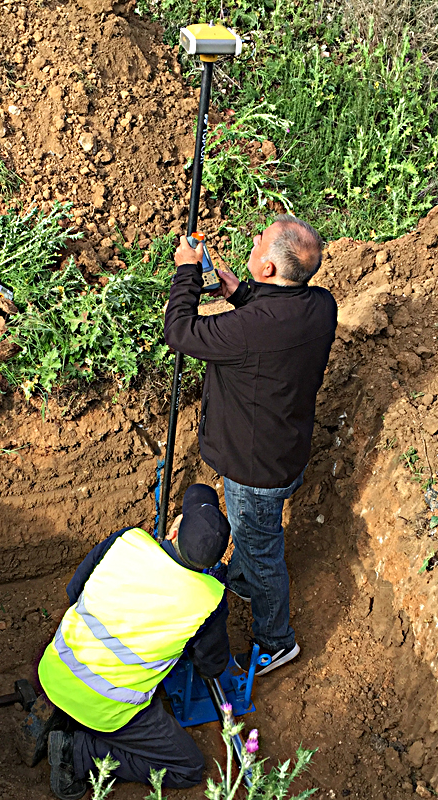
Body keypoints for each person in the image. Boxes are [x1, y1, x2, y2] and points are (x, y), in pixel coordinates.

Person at [164, 215, 337, 676]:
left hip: (255, 471)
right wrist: (239, 294)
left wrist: (186, 272)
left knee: (262, 550)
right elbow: (270, 317)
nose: (254, 240)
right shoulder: (321, 305)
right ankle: (240, 579)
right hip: (287, 450)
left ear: (268, 270)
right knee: (254, 535)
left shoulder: (249, 331)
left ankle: (277, 641)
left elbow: (179, 334)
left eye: (260, 240)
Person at [31, 484, 231, 800]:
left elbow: (75, 591)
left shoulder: (126, 541)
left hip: (55, 669)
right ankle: (78, 752)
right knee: (188, 768)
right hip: (106, 708)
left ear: (174, 531)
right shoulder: (209, 600)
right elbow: (212, 665)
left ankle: (55, 711)